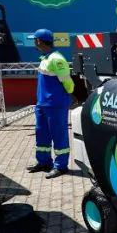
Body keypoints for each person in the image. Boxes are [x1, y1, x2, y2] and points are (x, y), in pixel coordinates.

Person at [26, 29, 74, 179]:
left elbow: (68, 82)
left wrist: (70, 94)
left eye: (34, 40)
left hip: (55, 105)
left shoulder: (56, 59)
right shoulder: (45, 58)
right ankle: (44, 162)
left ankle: (61, 166)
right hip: (42, 105)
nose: (34, 42)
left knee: (59, 135)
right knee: (42, 135)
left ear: (39, 41)